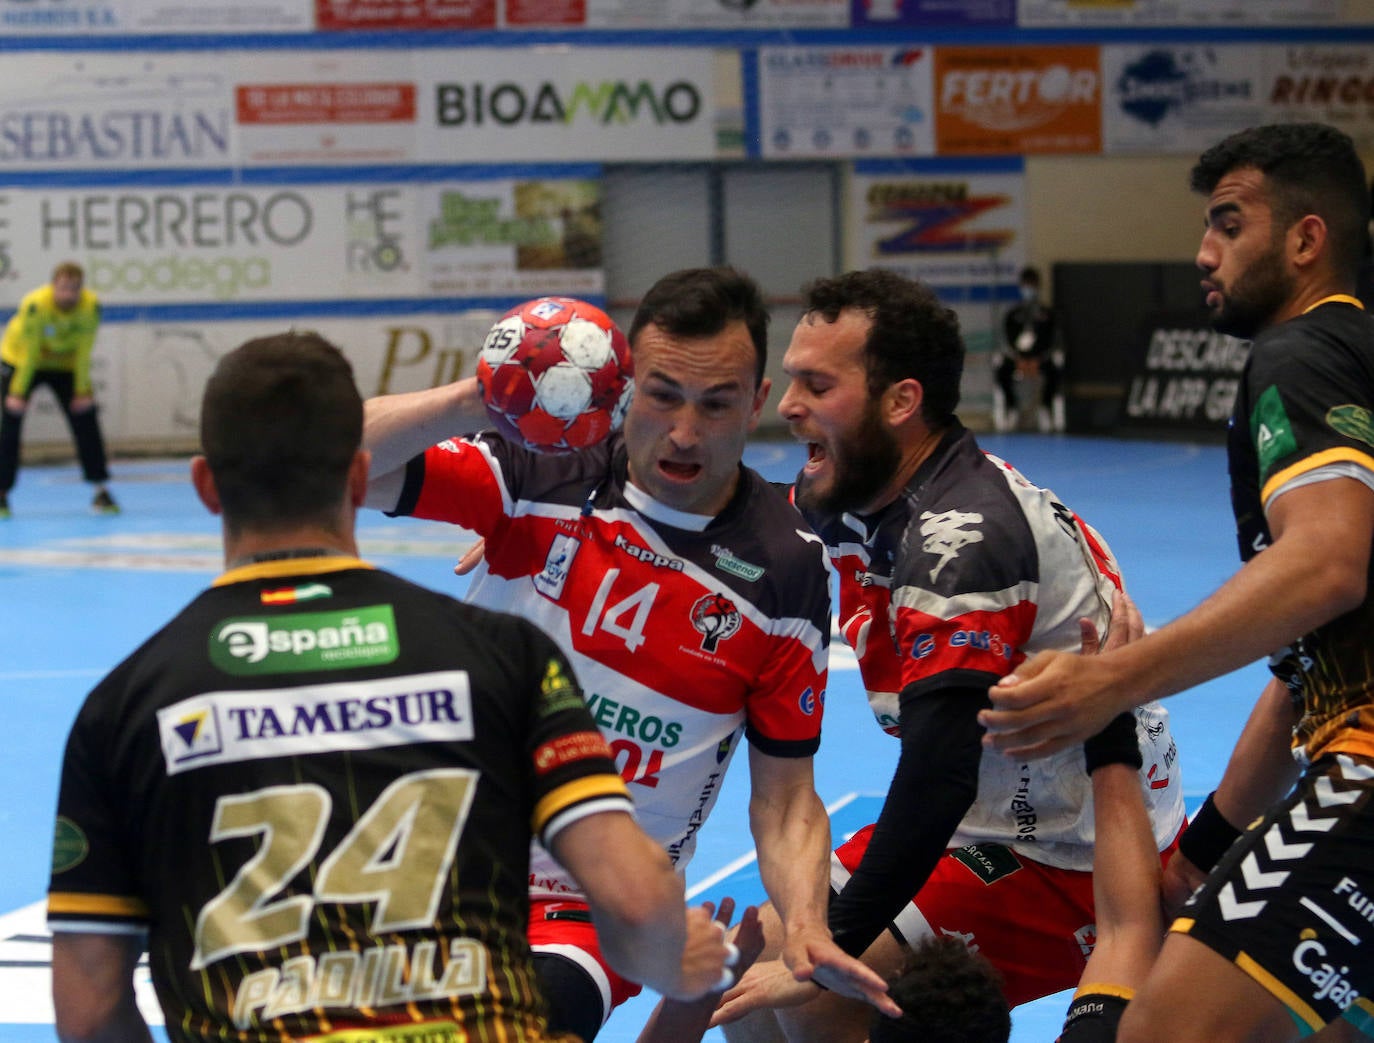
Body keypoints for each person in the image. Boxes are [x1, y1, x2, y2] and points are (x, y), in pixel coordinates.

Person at [46, 331, 736, 1042]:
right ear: (358, 479)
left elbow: (92, 1009)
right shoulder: (503, 658)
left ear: (205, 486)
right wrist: (680, 968)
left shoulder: (124, 706)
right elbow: (634, 899)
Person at [362, 267, 896, 1040]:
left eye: (716, 405)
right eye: (662, 394)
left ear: (755, 401)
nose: (684, 432)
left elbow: (783, 799)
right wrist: (487, 396)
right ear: (623, 387)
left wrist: (808, 920)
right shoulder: (539, 472)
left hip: (595, 910)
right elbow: (314, 464)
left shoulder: (787, 568)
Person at [712, 268, 1184, 1043]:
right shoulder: (871, 486)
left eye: (815, 384)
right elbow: (725, 510)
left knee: (817, 994)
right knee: (754, 973)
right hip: (982, 813)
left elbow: (937, 774)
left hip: (1065, 849)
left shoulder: (961, 546)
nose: (787, 404)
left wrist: (829, 948)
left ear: (900, 402)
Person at [979, 121, 1374, 1041]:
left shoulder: (1300, 352)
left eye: (1228, 225)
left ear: (1307, 240)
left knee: (1165, 1028)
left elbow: (1326, 562)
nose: (1203, 252)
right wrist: (1207, 842)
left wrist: (1113, 679)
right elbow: (1306, 666)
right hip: (1341, 746)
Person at [0, 261, 117, 517]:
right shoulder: (35, 305)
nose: (68, 295)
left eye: (74, 289)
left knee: (85, 417)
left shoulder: (90, 308)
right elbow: (31, 353)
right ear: (53, 286)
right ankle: (2, 493)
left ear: (81, 289)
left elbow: (85, 352)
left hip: (65, 364)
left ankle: (101, 489)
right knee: (9, 422)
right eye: (63, 288)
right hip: (21, 361)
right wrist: (18, 393)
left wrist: (82, 390)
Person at [993, 265, 1063, 434]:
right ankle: (1011, 408)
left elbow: (1054, 341)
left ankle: (1046, 407)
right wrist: (1018, 359)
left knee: (1054, 371)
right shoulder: (1013, 314)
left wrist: (1039, 360)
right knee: (1001, 371)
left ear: (1038, 286)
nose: (1028, 289)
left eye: (1032, 285)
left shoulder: (1048, 314)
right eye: (1026, 285)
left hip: (1041, 359)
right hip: (1017, 359)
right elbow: (1004, 341)